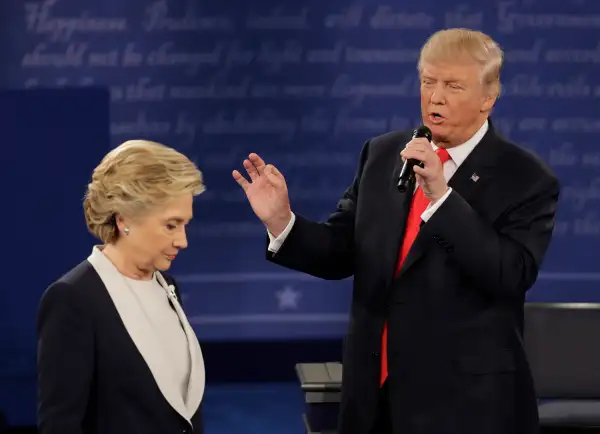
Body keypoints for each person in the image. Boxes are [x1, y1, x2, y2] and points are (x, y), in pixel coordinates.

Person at [233, 28, 560, 434]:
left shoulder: (525, 178)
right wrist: (282, 220)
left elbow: (510, 274)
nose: (435, 97)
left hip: (464, 405)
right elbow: (342, 250)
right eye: (428, 82)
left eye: (453, 86)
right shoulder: (384, 154)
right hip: (373, 397)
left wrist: (441, 198)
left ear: (488, 97)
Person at [37, 140, 206, 434]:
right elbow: (59, 426)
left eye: (185, 225)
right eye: (171, 225)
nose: (182, 241)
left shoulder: (168, 287)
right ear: (124, 219)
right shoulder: (73, 299)